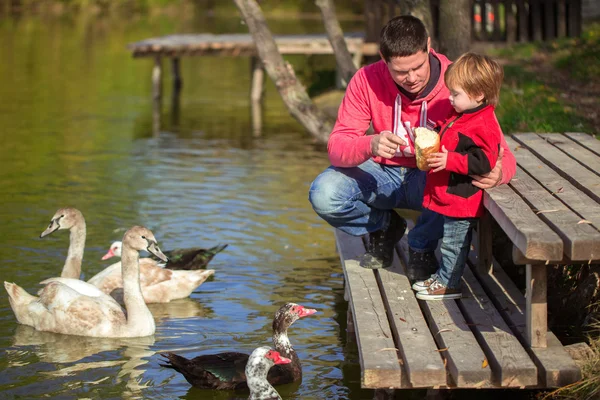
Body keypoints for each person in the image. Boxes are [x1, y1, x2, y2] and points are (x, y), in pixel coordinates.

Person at [308, 15, 516, 279]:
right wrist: (370, 143)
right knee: (324, 194)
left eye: (417, 66)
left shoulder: (458, 83)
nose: (411, 78)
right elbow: (337, 146)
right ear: (384, 59)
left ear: (428, 46)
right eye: (400, 71)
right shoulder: (365, 80)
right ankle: (384, 226)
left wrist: (500, 173)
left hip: (433, 178)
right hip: (383, 173)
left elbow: (502, 152)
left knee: (462, 185)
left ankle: (422, 247)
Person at [412, 52, 504, 300]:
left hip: (462, 196)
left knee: (454, 243)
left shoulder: (483, 124)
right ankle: (443, 276)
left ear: (478, 95)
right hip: (449, 194)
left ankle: (449, 283)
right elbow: (450, 136)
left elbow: (484, 161)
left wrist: (449, 160)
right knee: (449, 240)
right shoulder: (462, 115)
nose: (450, 98)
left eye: (456, 94)